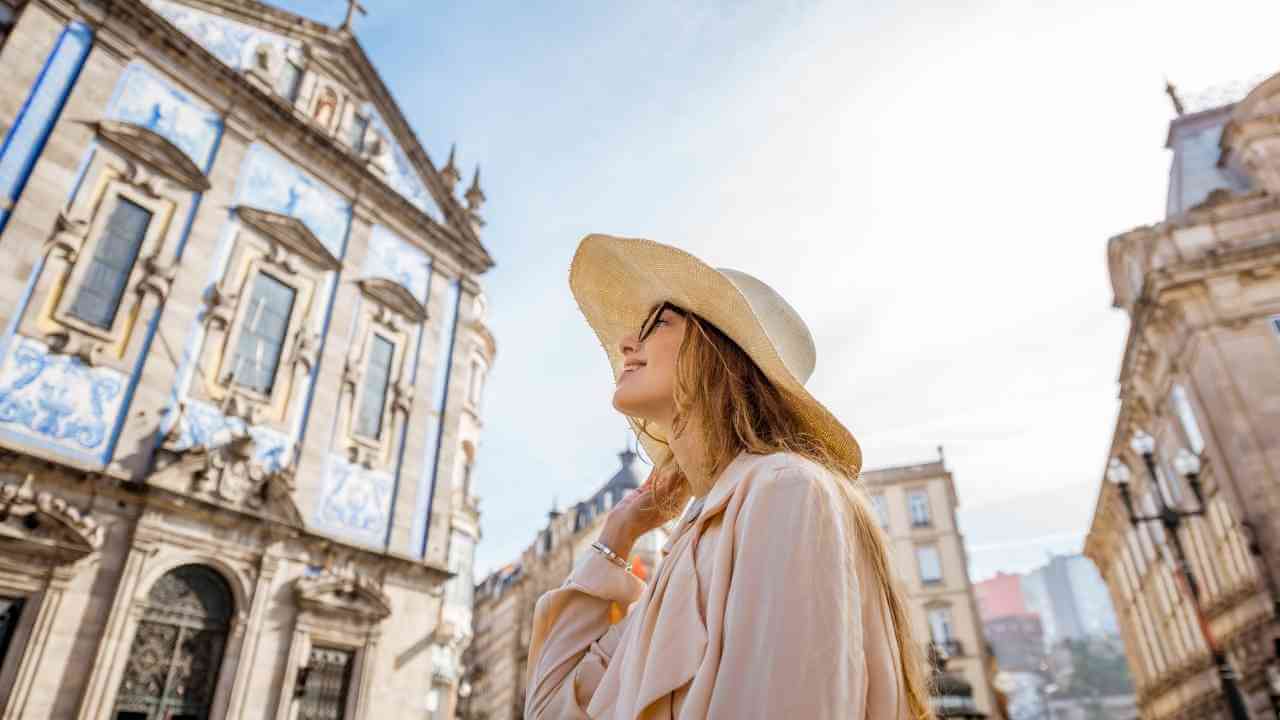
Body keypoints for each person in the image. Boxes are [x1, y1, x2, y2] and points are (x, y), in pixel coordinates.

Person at [524, 234, 932, 719]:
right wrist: (618, 533)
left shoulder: (785, 490)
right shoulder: (689, 550)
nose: (626, 342)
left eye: (656, 323)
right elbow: (550, 709)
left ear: (716, 352)